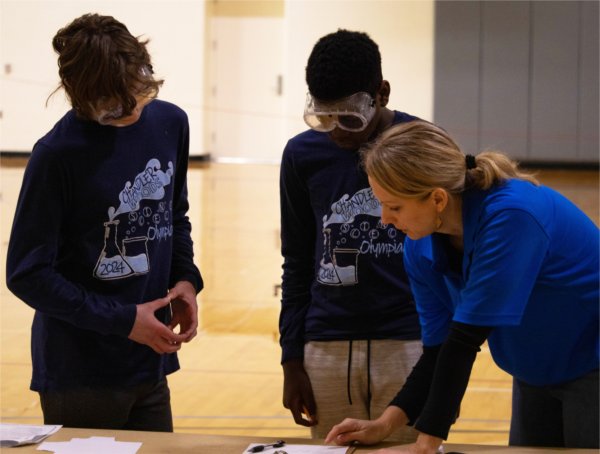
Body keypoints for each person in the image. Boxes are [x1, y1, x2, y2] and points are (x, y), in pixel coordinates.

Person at [325, 120, 599, 452]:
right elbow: (439, 350)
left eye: (394, 206)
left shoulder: (512, 217)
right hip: (536, 368)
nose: (384, 219)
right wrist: (386, 424)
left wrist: (425, 444)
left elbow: (466, 340)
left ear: (438, 199)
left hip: (592, 360)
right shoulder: (419, 245)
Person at [5, 13, 203, 432]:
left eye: (138, 94)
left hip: (149, 363)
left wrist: (185, 278)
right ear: (80, 97)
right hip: (79, 374)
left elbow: (174, 214)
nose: (132, 111)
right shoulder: (56, 155)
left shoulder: (171, 123)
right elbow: (27, 273)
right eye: (115, 107)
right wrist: (123, 320)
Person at [278, 29, 423, 442]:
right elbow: (297, 260)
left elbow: (449, 253)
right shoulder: (302, 155)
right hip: (325, 345)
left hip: (410, 340)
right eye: (326, 116)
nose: (338, 130)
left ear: (382, 93)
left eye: (350, 117)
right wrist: (291, 357)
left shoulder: (419, 144)